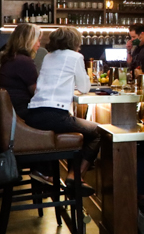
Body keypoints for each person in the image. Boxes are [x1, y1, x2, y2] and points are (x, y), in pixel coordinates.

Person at [26, 26, 102, 173]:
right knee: (97, 131)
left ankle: (71, 175)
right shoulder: (75, 57)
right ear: (75, 42)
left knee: (81, 130)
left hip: (33, 115)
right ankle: (76, 176)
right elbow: (84, 88)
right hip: (55, 116)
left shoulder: (48, 56)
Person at [0, 22, 41, 116]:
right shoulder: (23, 61)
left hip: (10, 111)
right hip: (21, 113)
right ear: (28, 41)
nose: (39, 44)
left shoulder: (12, 58)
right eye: (37, 40)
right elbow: (37, 92)